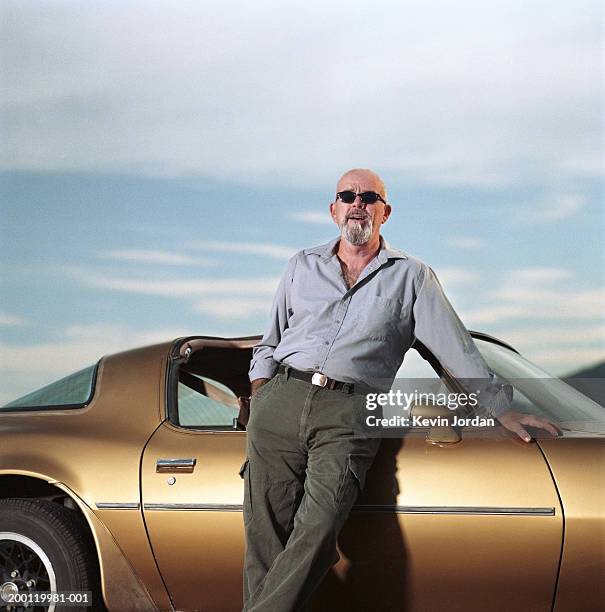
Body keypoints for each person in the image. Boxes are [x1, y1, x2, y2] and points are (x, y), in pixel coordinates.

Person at [240, 168, 559, 612]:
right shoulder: (301, 265)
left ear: (384, 212)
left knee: (319, 530)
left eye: (369, 197)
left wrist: (500, 409)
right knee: (264, 535)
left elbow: (455, 350)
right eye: (348, 195)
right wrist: (261, 392)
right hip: (281, 400)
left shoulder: (413, 277)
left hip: (349, 412)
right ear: (334, 210)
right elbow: (270, 339)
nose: (358, 203)